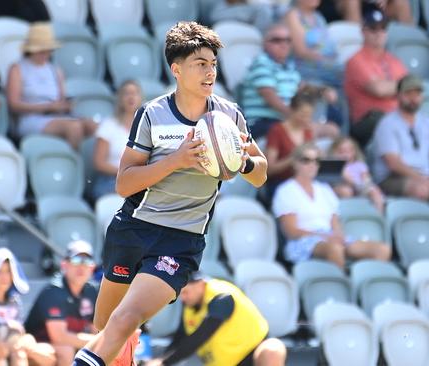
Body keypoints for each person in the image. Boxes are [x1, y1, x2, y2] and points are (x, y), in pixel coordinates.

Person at [71, 21, 268, 366]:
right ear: (176, 69)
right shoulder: (152, 114)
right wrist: (177, 161)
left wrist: (242, 163)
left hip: (181, 240)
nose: (210, 72)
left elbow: (260, 172)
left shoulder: (228, 115)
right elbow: (124, 183)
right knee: (106, 329)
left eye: (213, 64)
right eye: (200, 64)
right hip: (133, 228)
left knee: (124, 319)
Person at [345, 5, 429, 147]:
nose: (378, 33)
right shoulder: (356, 60)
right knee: (393, 124)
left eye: (383, 28)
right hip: (371, 119)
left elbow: (411, 88)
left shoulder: (393, 60)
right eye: (373, 28)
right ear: (363, 31)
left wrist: (398, 87)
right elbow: (379, 90)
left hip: (402, 116)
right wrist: (402, 86)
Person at [273, 142, 391, 268]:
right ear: (295, 163)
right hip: (303, 240)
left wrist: (337, 236)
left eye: (316, 160)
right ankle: (340, 284)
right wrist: (324, 237)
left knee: (382, 249)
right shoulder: (286, 191)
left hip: (328, 236)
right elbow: (291, 231)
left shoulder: (324, 189)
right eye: (306, 160)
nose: (312, 165)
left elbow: (335, 223)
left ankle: (363, 283)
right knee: (335, 249)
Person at [146, 272, 287, 366]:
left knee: (272, 349)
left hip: (253, 356)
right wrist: (160, 360)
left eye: (186, 292)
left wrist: (165, 363)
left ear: (201, 284)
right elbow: (180, 338)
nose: (183, 298)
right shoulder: (190, 306)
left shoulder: (222, 296)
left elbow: (202, 335)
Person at [239, 23, 339, 140]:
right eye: (277, 40)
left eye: (288, 40)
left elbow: (303, 88)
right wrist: (295, 118)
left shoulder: (289, 67)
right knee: (309, 132)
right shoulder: (262, 63)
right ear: (265, 43)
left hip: (285, 121)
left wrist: (324, 91)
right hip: (263, 122)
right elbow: (270, 96)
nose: (284, 44)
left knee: (332, 129)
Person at [6, 22, 96, 151]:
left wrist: (64, 106)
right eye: (41, 50)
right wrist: (46, 107)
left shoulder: (55, 70)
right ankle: (73, 165)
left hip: (54, 115)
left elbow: (61, 99)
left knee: (94, 126)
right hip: (30, 118)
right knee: (74, 127)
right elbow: (13, 104)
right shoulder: (17, 69)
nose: (45, 53)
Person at [0, 248, 55, 366]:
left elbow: (20, 331)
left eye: (8, 271)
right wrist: (9, 327)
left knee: (42, 353)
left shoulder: (14, 300)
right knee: (0, 354)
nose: (4, 277)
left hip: (13, 346)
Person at [25, 240, 99, 365]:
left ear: (92, 268)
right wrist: (100, 341)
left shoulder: (91, 291)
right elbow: (59, 337)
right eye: (76, 260)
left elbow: (96, 330)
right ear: (64, 265)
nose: (81, 266)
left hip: (70, 344)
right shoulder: (54, 291)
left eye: (86, 261)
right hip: (37, 346)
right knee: (66, 350)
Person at [92, 80, 143, 201]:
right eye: (126, 93)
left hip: (140, 179)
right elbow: (99, 163)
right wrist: (127, 173)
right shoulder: (109, 125)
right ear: (120, 98)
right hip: (112, 180)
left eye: (134, 93)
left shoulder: (146, 126)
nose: (131, 97)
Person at [265, 88, 316, 203]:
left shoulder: (307, 132)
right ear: (292, 110)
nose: (306, 119)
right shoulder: (277, 131)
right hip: (280, 183)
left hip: (303, 182)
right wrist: (293, 158)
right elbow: (269, 169)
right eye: (302, 114)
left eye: (309, 116)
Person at [283, 0, 344, 90]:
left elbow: (327, 45)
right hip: (305, 69)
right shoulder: (293, 15)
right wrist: (328, 61)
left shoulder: (318, 17)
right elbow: (301, 51)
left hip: (326, 67)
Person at [329, 136, 385, 213]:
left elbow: (366, 178)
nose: (345, 154)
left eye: (349, 151)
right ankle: (348, 213)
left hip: (360, 186)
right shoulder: (335, 166)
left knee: (375, 191)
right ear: (334, 152)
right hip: (342, 186)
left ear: (354, 152)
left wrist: (367, 186)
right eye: (341, 152)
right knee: (346, 191)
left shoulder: (359, 165)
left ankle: (379, 215)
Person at [209, 0, 274, 33]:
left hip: (246, 41)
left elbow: (258, 34)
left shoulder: (258, 7)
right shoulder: (219, 6)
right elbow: (214, 17)